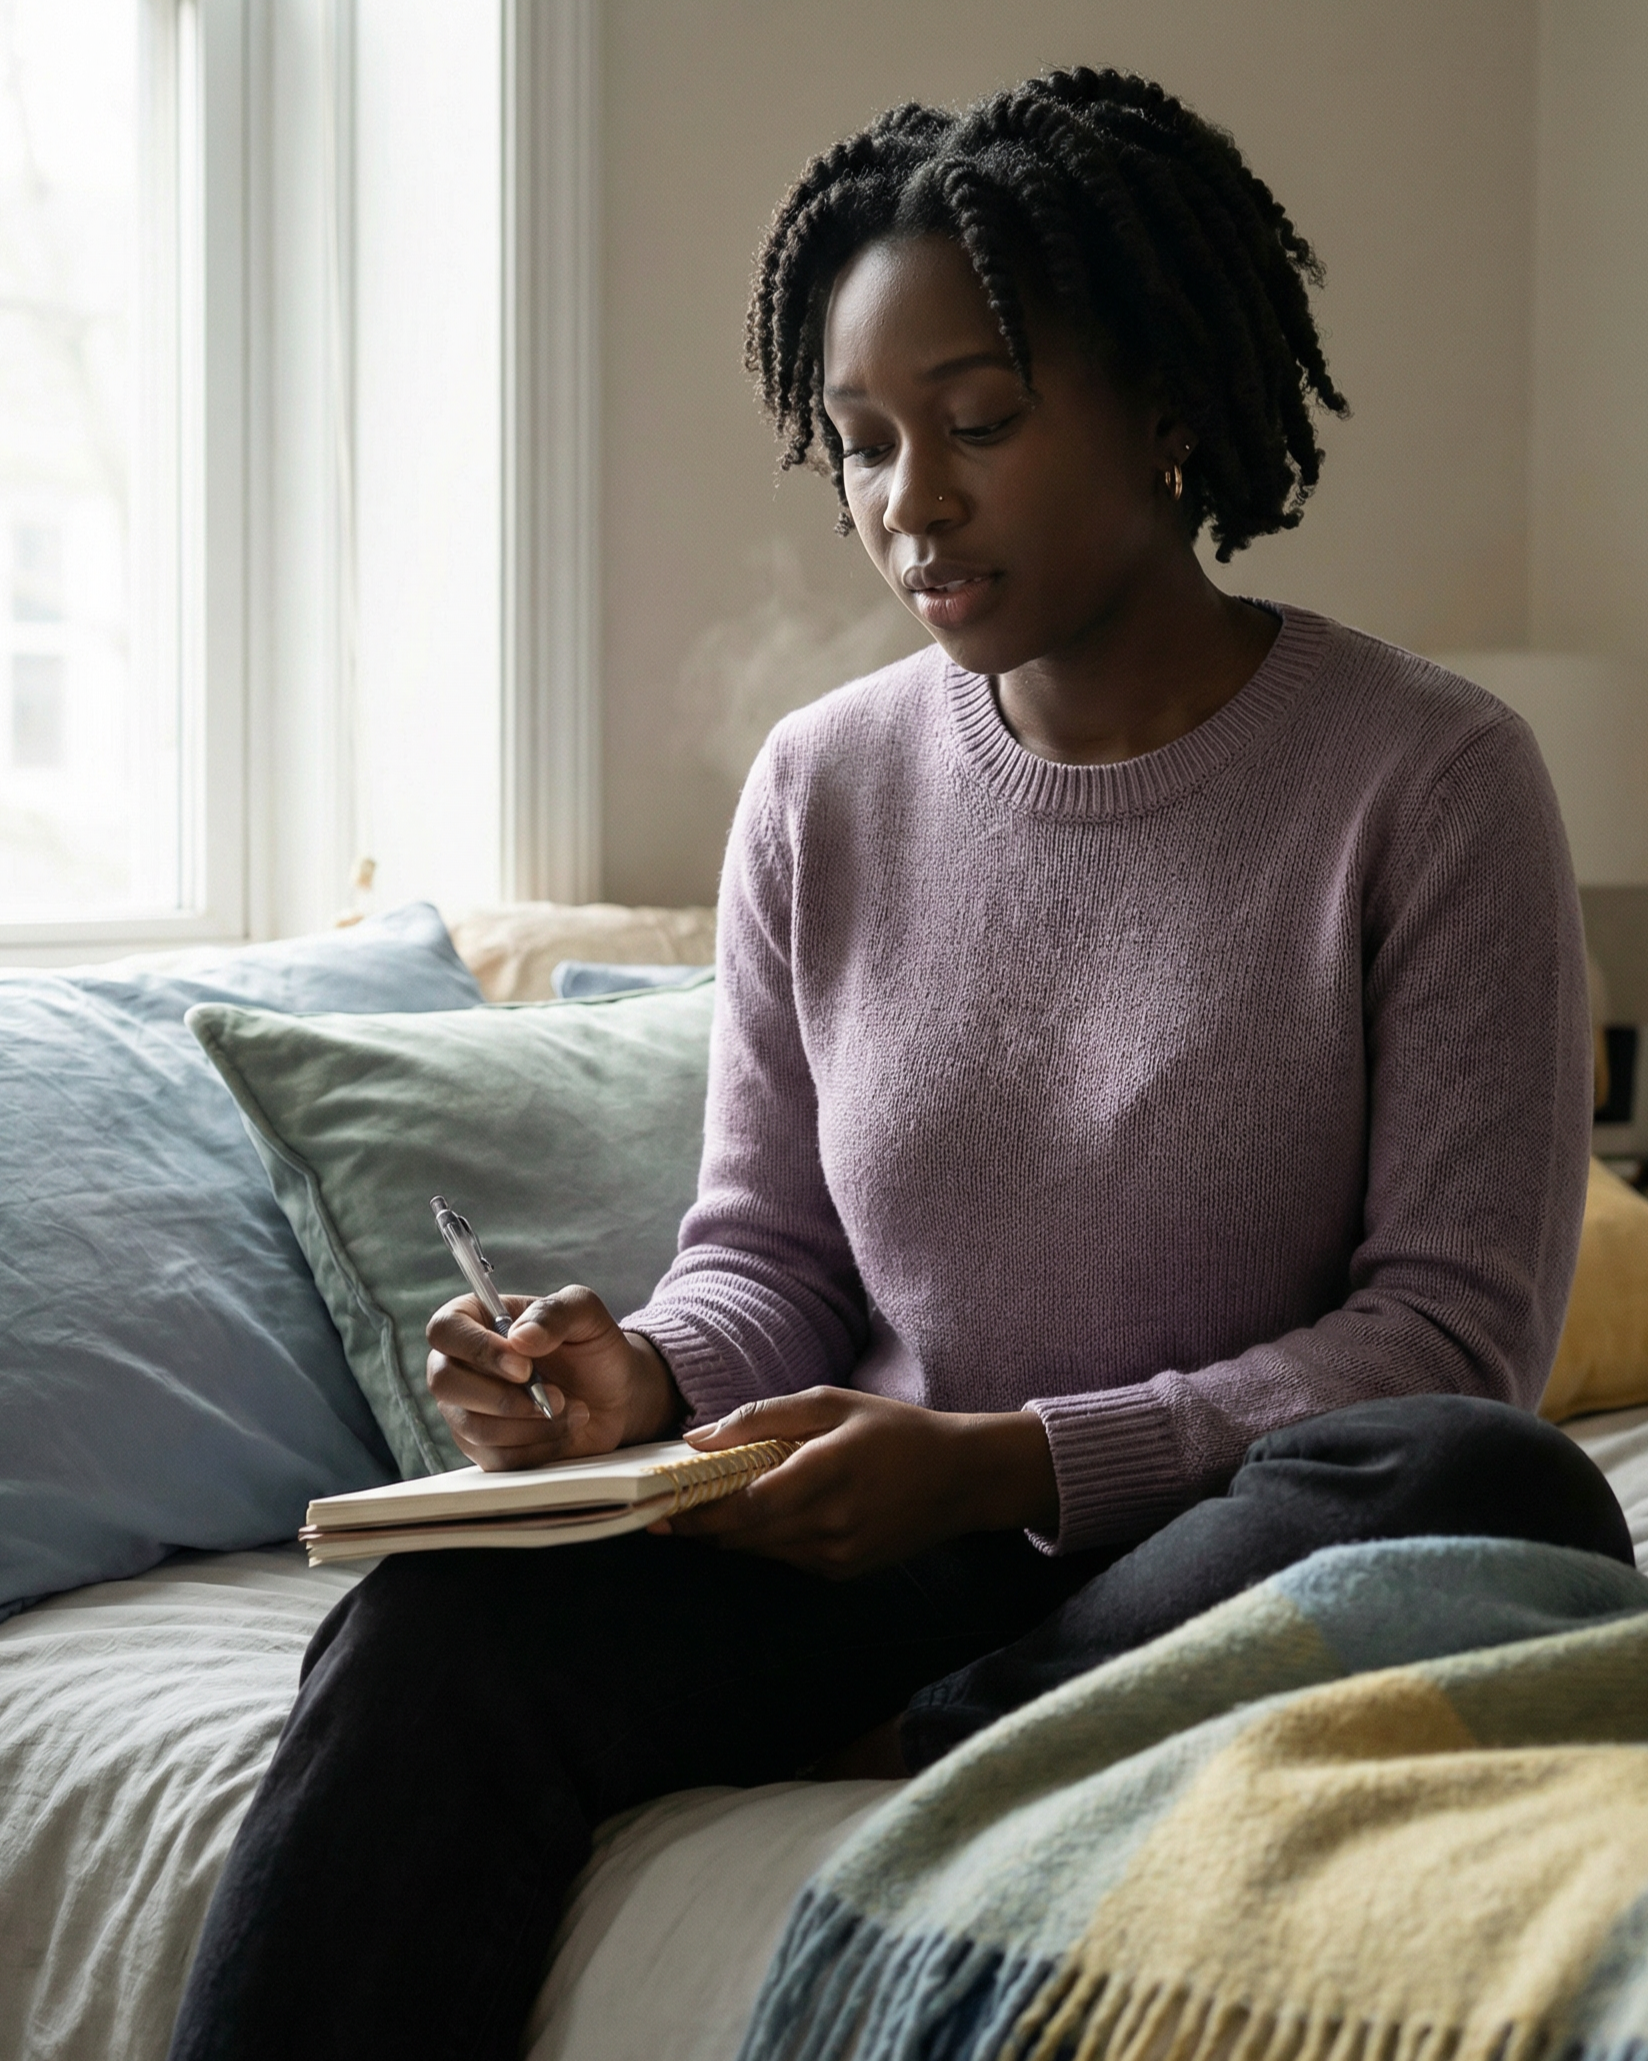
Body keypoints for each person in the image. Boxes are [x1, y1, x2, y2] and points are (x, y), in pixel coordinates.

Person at [169, 67, 1626, 2061]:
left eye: (978, 424)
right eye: (858, 445)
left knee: (1489, 1478)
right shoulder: (819, 790)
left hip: (1217, 1552)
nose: (905, 505)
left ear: (1171, 402)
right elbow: (771, 1258)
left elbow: (1444, 1341)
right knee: (435, 1632)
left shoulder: (1429, 782)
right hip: (867, 1561)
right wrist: (647, 1373)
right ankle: (973, 1719)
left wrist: (1011, 1463)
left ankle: (948, 1733)